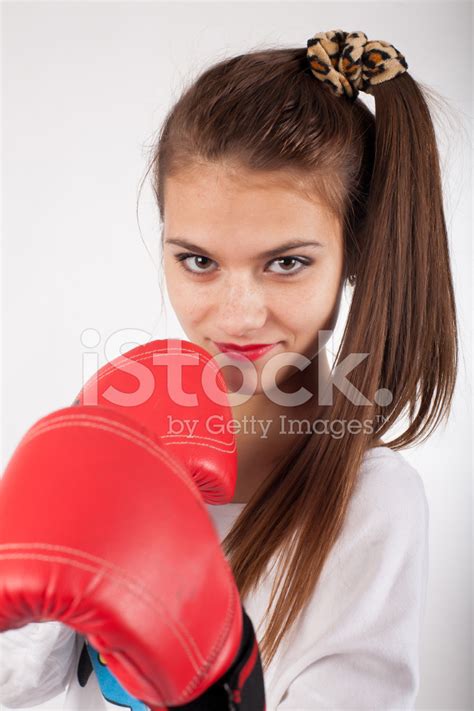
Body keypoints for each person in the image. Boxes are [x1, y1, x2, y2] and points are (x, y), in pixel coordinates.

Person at [0, 27, 458, 710]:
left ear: (354, 252)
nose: (238, 314)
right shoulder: (120, 426)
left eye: (286, 262)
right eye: (198, 260)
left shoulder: (371, 502)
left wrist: (217, 682)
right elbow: (18, 682)